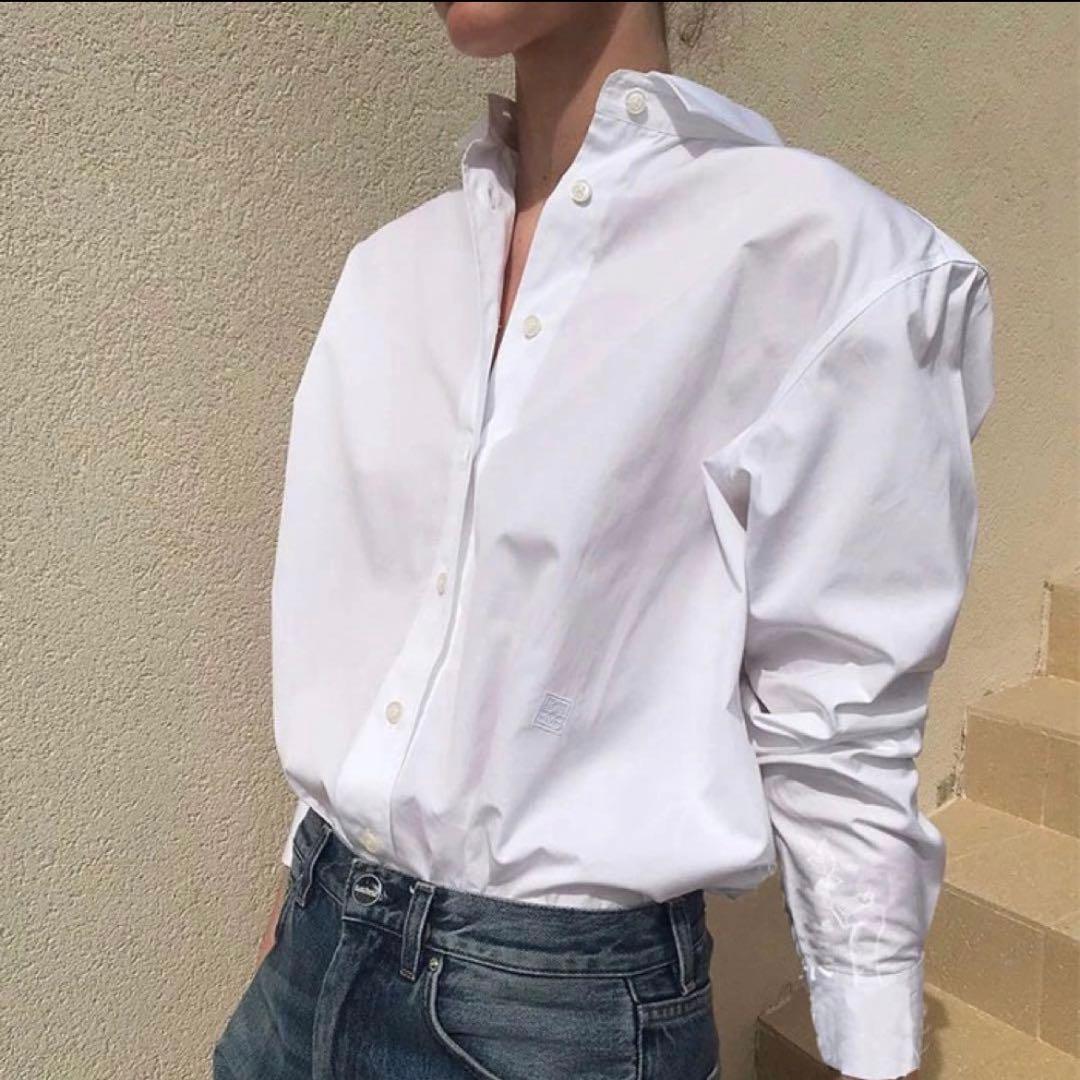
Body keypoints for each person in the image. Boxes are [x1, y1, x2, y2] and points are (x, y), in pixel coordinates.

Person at [212, 3, 995, 1079]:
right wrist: (299, 884)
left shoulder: (824, 260)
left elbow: (842, 723)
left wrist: (872, 1048)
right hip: (306, 957)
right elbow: (368, 650)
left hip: (553, 1017)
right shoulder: (392, 269)